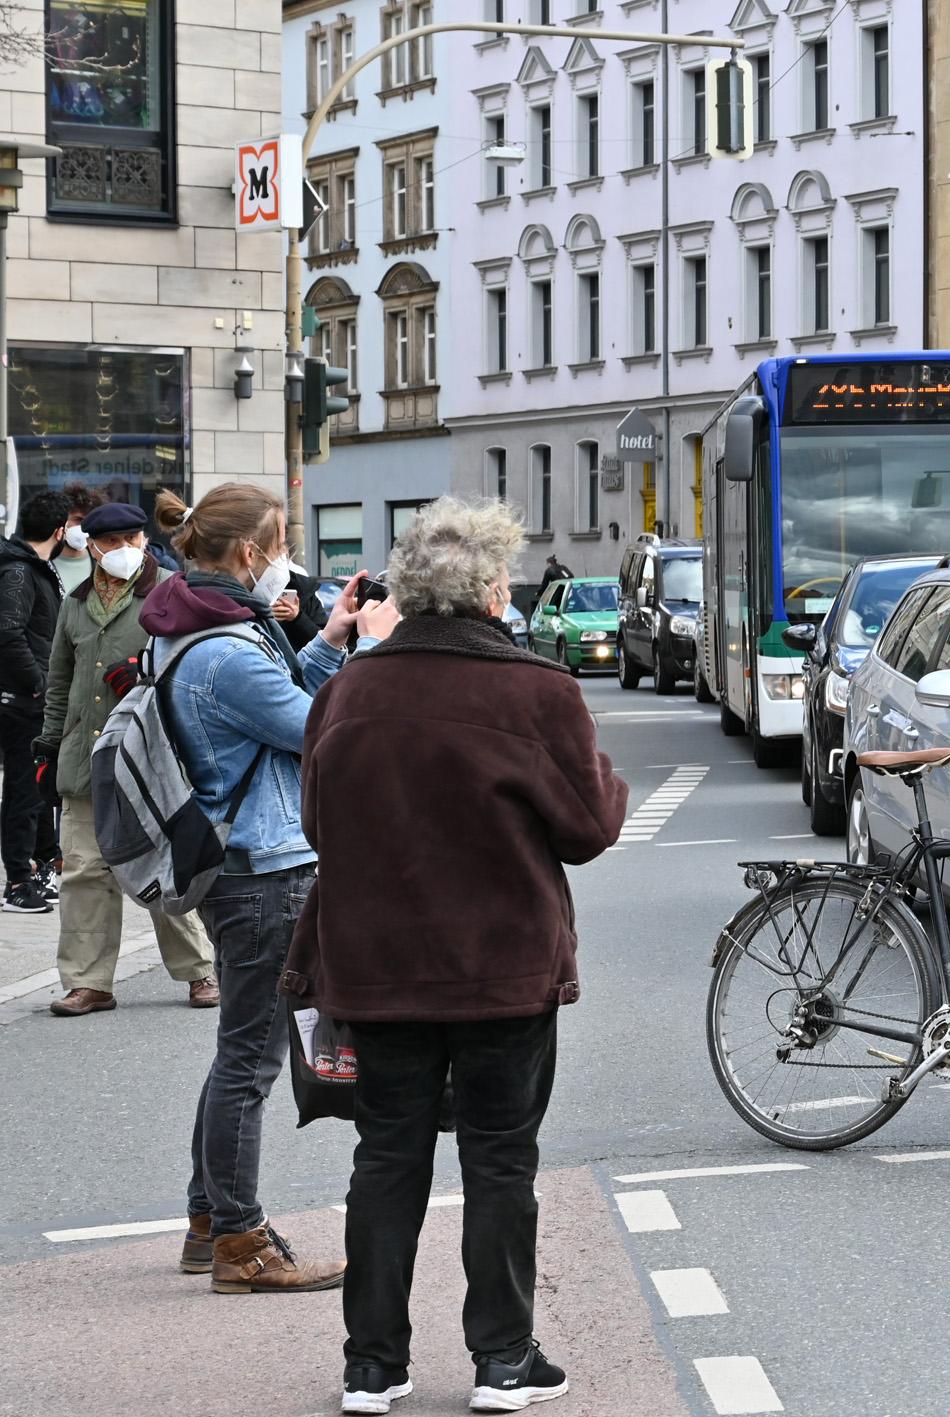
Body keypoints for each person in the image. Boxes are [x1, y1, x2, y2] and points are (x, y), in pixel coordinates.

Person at [284, 498, 627, 1415]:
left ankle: (372, 1364)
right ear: (489, 589)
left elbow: (320, 822)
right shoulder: (536, 691)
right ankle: (504, 1360)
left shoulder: (348, 691)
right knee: (500, 1159)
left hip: (378, 965)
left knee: (386, 1156)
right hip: (502, 967)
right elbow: (590, 828)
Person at [142, 484, 396, 1293]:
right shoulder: (225, 649)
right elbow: (320, 727)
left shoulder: (198, 625)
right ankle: (240, 1241)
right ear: (250, 553)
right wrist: (376, 650)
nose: (284, 558)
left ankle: (208, 1217)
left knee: (235, 1056)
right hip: (261, 870)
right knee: (249, 1062)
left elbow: (282, 704)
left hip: (245, 864)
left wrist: (328, 638)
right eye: (279, 542)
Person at [35, 501, 217, 1017]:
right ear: (90, 546)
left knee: (163, 861)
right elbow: (59, 682)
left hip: (153, 751)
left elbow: (198, 660)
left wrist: (142, 669)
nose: (122, 550)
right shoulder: (76, 601)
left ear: (143, 540)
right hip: (84, 754)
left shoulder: (171, 591)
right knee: (85, 871)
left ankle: (200, 971)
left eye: (131, 539)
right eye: (110, 542)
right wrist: (47, 748)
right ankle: (88, 982)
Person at [0, 490, 69, 915]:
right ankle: (17, 882)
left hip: (26, 699)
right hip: (21, 702)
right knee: (24, 793)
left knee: (35, 791)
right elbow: (8, 633)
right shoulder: (21, 573)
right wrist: (41, 684)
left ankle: (36, 869)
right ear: (60, 532)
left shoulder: (31, 568)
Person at [52, 482, 104, 596]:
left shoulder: (103, 564)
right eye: (78, 519)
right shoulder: (42, 563)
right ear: (61, 519)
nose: (84, 526)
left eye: (89, 520)